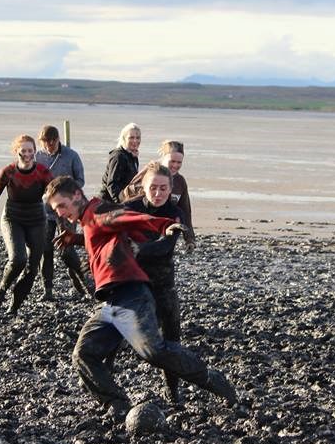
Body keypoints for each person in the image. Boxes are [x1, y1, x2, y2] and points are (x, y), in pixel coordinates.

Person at [45, 175, 236, 423]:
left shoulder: (99, 212)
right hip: (111, 304)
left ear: (77, 196)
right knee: (84, 354)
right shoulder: (89, 220)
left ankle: (213, 380)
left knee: (152, 351)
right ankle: (117, 403)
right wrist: (77, 239)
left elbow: (128, 217)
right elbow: (105, 235)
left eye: (62, 205)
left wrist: (164, 225)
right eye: (55, 209)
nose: (60, 213)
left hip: (131, 296)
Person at [122, 163, 189, 404]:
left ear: (170, 189)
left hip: (162, 282)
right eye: (153, 188)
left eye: (163, 188)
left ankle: (172, 390)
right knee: (116, 332)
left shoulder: (174, 214)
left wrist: (135, 248)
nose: (158, 193)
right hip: (132, 282)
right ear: (143, 186)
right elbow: (109, 236)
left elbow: (165, 247)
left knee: (172, 337)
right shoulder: (129, 209)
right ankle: (107, 383)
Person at [0, 134, 53, 317]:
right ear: (16, 152)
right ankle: (2, 287)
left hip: (37, 219)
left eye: (30, 150)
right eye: (23, 151)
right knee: (18, 259)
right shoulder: (8, 172)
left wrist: (65, 221)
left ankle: (14, 307)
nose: (27, 154)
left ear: (35, 151)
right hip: (12, 218)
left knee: (32, 267)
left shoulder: (43, 172)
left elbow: (56, 196)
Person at [34, 125, 90, 301]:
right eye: (45, 142)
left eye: (52, 142)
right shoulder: (37, 157)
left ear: (58, 139)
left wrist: (65, 190)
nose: (49, 146)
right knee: (45, 249)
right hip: (45, 211)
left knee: (66, 250)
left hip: (66, 211)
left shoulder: (71, 156)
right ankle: (47, 289)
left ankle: (83, 282)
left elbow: (80, 180)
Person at [123, 140, 195, 244]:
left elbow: (186, 211)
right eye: (172, 161)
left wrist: (189, 239)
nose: (175, 165)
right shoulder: (150, 174)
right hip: (141, 227)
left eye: (179, 162)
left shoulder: (180, 182)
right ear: (163, 158)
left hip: (165, 229)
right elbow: (126, 193)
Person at [99, 122, 141, 203]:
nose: (135, 141)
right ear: (124, 138)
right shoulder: (118, 156)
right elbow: (112, 184)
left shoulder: (132, 156)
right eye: (131, 138)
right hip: (108, 202)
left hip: (125, 198)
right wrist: (119, 204)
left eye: (138, 138)